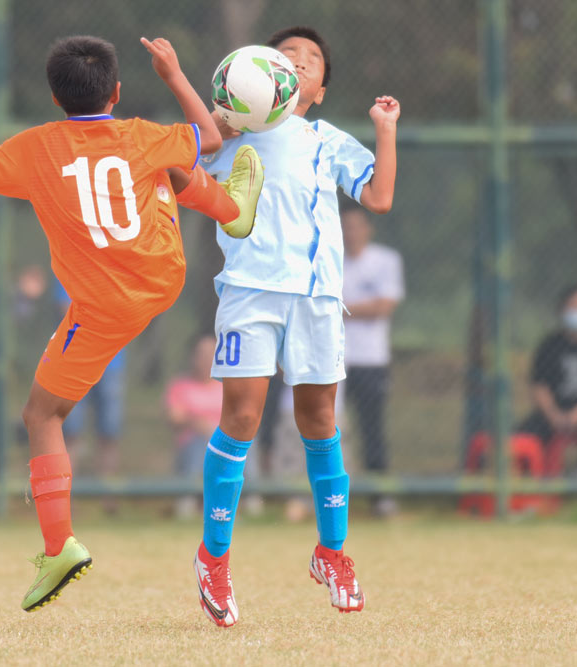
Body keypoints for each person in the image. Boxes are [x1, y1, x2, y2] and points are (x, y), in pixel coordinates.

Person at [0, 34, 263, 612]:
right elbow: (208, 138)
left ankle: (58, 545)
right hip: (163, 274)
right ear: (115, 91)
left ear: (55, 98)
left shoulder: (34, 148)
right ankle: (231, 210)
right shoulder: (139, 134)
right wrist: (175, 75)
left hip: (103, 306)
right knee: (169, 167)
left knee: (41, 414)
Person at [195, 26, 398, 624]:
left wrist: (385, 132)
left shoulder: (326, 139)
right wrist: (222, 115)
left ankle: (331, 552)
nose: (296, 63)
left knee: (319, 421)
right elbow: (194, 152)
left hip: (315, 298)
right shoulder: (234, 127)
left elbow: (380, 196)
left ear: (317, 90)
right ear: (262, 74)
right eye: (285, 56)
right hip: (250, 293)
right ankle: (214, 559)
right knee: (241, 419)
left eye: (310, 61)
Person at [341, 202, 405, 517]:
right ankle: (332, 497)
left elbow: (384, 306)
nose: (350, 233)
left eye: (356, 226)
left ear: (368, 229)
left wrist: (339, 310)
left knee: (372, 429)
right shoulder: (327, 258)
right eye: (345, 227)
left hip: (370, 359)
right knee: (329, 429)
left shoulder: (385, 261)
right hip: (333, 360)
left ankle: (380, 496)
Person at [517, 286, 577, 479]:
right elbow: (539, 385)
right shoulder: (550, 344)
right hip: (557, 409)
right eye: (573, 307)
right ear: (562, 311)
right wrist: (554, 415)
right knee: (523, 433)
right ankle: (527, 479)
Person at [55, 281, 125, 494]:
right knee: (71, 433)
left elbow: (125, 311)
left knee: (109, 434)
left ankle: (108, 497)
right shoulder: (70, 264)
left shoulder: (117, 267)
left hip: (111, 363)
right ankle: (66, 498)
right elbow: (68, 311)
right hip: (77, 361)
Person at [166, 335, 224, 517]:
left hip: (223, 440)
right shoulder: (180, 385)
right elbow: (174, 417)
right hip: (192, 442)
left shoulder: (227, 386)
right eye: (202, 354)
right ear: (193, 357)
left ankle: (250, 503)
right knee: (201, 442)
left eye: (211, 354)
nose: (206, 359)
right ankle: (186, 505)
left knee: (243, 444)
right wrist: (197, 423)